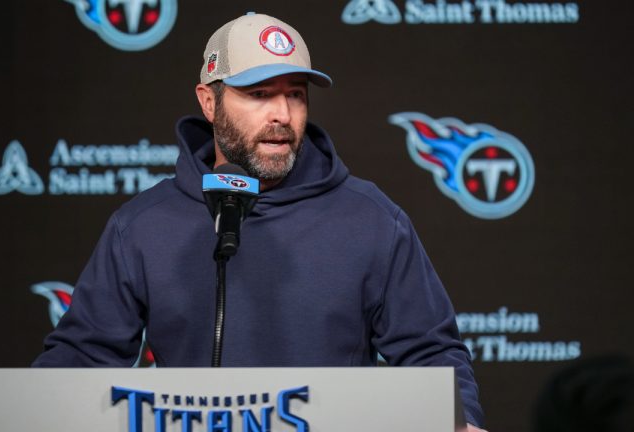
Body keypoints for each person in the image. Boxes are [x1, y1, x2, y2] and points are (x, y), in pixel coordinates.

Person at [34, 12, 486, 430]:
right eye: (259, 94)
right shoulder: (142, 227)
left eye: (295, 94)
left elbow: (430, 351)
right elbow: (81, 358)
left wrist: (459, 418)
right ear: (209, 101)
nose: (282, 115)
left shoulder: (371, 219)